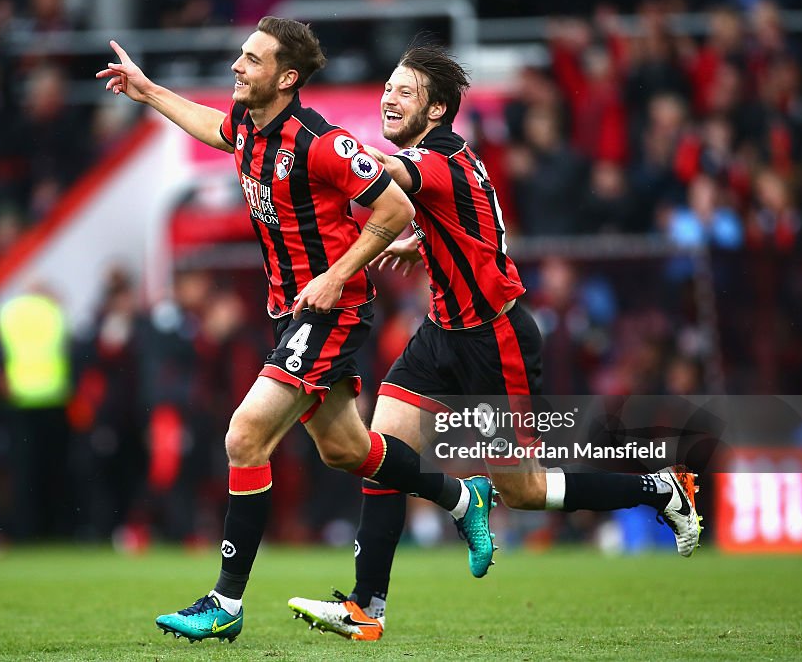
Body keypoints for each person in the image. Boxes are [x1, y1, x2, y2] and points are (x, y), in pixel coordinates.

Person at [97, 17, 494, 644]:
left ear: (286, 77)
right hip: (293, 312)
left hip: (331, 312)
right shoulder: (248, 130)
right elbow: (214, 129)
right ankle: (462, 499)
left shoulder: (322, 142)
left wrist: (336, 276)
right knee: (347, 450)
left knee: (244, 435)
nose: (237, 66)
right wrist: (148, 92)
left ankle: (225, 602)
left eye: (251, 59)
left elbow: (395, 209)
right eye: (241, 55)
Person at [287, 44, 702, 641]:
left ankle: (658, 487)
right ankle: (365, 607)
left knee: (525, 490)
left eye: (406, 91)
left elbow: (384, 179)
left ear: (435, 111)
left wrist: (316, 153)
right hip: (441, 333)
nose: (389, 96)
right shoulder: (452, 157)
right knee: (385, 454)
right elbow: (470, 221)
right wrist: (421, 242)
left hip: (493, 340)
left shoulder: (430, 163)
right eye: (389, 87)